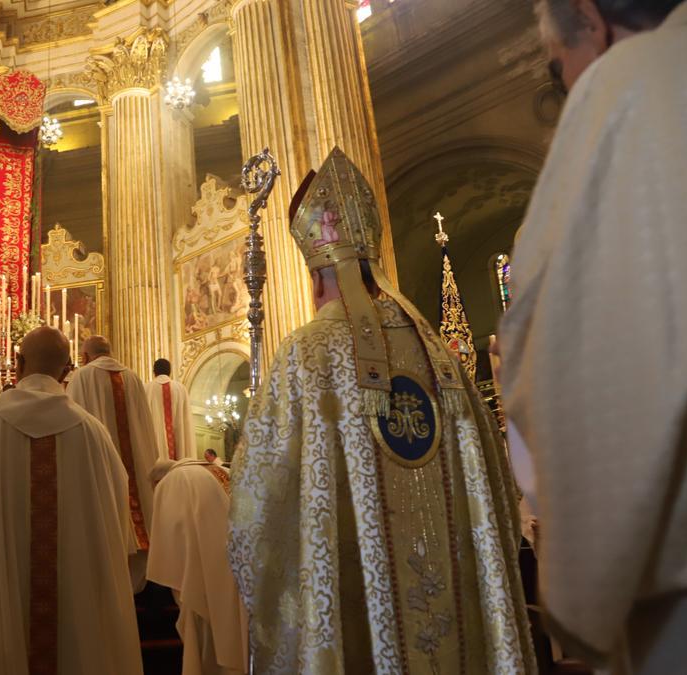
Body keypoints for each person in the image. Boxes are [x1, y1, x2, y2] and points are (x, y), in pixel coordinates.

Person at [499, 0, 687, 671]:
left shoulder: (630, 84)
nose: (572, 86)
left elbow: (562, 341)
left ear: (591, 18)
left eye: (559, 70)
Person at [227, 148, 533, 673]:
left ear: (316, 274)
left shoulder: (307, 354)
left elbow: (258, 516)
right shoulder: (443, 358)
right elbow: (501, 501)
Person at [0, 327, 143, 675]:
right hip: (75, 598)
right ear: (68, 370)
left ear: (17, 363)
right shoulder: (93, 432)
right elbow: (116, 515)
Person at [67, 335, 163, 591]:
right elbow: (146, 426)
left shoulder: (82, 377)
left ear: (85, 356)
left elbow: (72, 424)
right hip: (138, 465)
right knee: (139, 513)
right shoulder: (132, 377)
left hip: (100, 466)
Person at [147, 458, 247, 675]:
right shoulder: (221, 471)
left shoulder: (173, 481)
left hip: (202, 575)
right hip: (241, 565)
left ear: (157, 481)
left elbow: (169, 542)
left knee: (204, 636)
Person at [145, 359, 197, 461]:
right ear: (170, 371)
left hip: (154, 449)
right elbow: (186, 421)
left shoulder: (147, 388)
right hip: (178, 449)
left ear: (154, 372)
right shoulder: (181, 389)